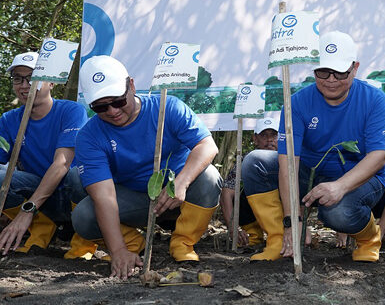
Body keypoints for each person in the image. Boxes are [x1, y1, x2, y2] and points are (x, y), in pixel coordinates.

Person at [241, 31, 385, 262]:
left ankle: (369, 238)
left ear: (355, 67)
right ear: (314, 69)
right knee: (256, 162)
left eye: (340, 72)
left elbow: (379, 156)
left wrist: (340, 187)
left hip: (360, 176)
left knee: (337, 211)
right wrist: (292, 222)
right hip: (310, 173)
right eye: (323, 71)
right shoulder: (297, 103)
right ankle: (280, 239)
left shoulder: (375, 100)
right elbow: (288, 165)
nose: (331, 79)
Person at [70, 55, 221, 279]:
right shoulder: (89, 136)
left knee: (210, 176)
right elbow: (104, 196)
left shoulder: (168, 107)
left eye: (118, 101)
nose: (112, 111)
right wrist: (118, 250)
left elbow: (207, 145)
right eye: (101, 107)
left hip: (179, 192)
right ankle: (132, 243)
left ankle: (183, 242)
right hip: (134, 199)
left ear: (131, 85)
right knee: (83, 215)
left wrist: (182, 181)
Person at [0, 52, 91, 257]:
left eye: (32, 78)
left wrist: (26, 210)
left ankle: (85, 241)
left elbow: (61, 164)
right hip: (38, 196)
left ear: (51, 83)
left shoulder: (71, 111)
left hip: (72, 194)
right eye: (18, 79)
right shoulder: (8, 120)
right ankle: (41, 228)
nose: (25, 85)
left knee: (76, 174)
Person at [336, 134, 385, 246]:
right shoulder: (346, 141)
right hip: (358, 195)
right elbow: (340, 185)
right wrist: (341, 227)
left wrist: (379, 234)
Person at [220, 117, 278, 247]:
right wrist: (232, 228)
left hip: (281, 215)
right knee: (241, 195)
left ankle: (280, 234)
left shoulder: (289, 158)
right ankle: (253, 234)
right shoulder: (246, 160)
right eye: (264, 135)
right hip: (254, 215)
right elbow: (226, 193)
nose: (269, 140)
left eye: (273, 135)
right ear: (255, 139)